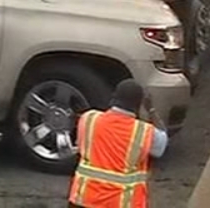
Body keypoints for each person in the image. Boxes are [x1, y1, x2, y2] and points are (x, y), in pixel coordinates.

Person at [68, 78, 167, 208]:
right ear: (139, 104)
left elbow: (82, 146)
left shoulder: (89, 119)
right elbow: (161, 144)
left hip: (84, 199)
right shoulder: (144, 131)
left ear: (113, 98)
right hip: (121, 203)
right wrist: (151, 110)